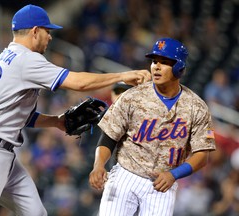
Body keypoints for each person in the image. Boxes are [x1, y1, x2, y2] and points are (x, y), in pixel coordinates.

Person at [0, 4, 151, 216]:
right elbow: (78, 83)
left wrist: (57, 121)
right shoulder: (26, 59)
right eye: (48, 31)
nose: (50, 37)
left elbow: (18, 115)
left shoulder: (5, 58)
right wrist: (121, 76)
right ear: (35, 31)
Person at [89, 38, 216, 216]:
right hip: (126, 176)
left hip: (163, 184)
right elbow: (109, 136)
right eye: (154, 61)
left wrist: (174, 175)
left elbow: (202, 155)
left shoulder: (197, 107)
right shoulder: (132, 96)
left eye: (164, 62)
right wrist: (99, 164)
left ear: (179, 68)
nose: (156, 66)